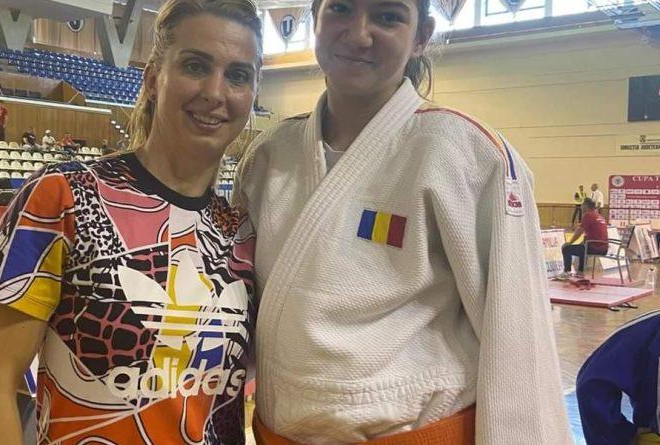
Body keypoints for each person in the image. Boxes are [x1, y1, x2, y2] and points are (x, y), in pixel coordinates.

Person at [235, 0, 572, 443]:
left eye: (388, 16)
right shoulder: (269, 155)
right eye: (340, 9)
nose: (359, 34)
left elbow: (518, 338)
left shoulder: (469, 154)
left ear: (421, 36)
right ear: (314, 19)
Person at [0, 0, 261, 443]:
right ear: (153, 78)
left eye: (238, 75)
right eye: (195, 66)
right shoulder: (63, 197)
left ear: (253, 94)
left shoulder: (239, 232)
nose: (215, 92)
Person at [577, 309, 660, 445]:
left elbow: (592, 383)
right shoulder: (648, 331)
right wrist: (622, 435)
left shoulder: (646, 330)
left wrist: (621, 436)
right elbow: (592, 383)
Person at [558, 198, 608, 280]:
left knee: (566, 248)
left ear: (585, 206)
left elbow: (579, 231)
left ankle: (567, 272)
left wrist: (570, 242)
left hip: (595, 248)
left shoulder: (588, 215)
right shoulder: (599, 216)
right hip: (604, 249)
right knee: (583, 246)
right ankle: (580, 272)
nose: (581, 207)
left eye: (582, 205)